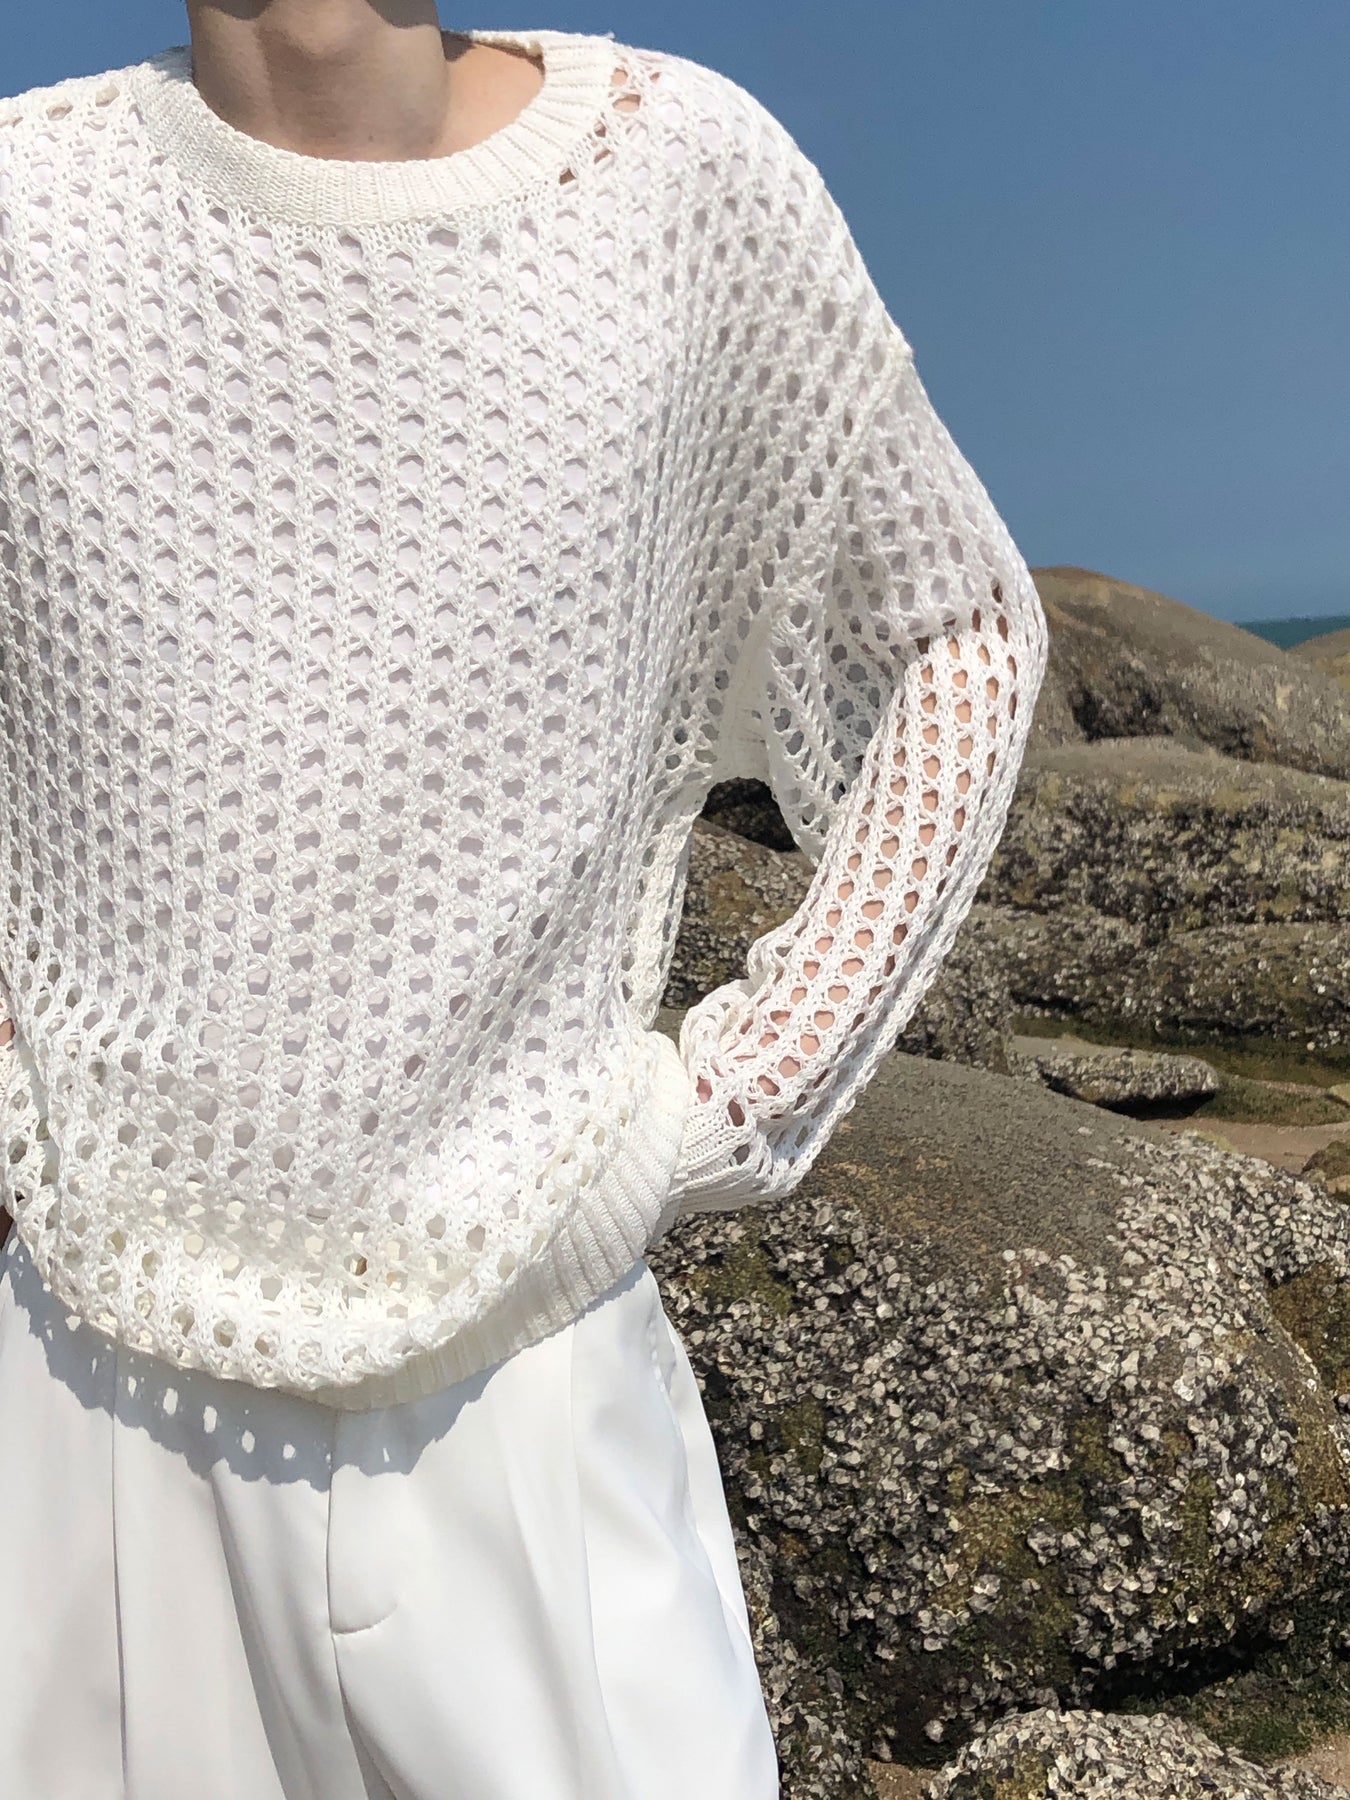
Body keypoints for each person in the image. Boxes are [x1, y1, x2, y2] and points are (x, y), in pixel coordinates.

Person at [0, 6, 1050, 1797]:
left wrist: (732, 1101)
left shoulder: (675, 175)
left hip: (532, 1388)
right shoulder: (26, 209)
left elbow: (954, 631)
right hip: (90, 1405)